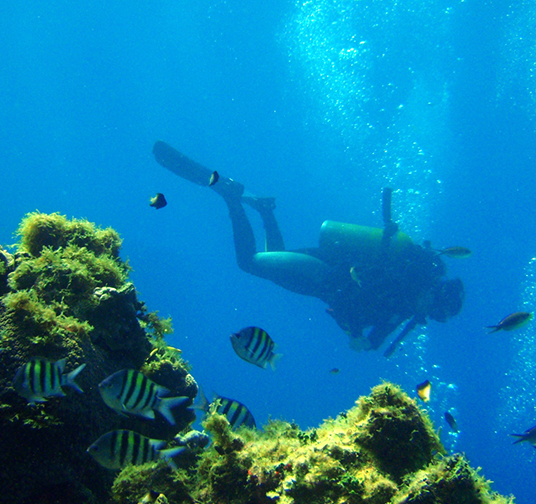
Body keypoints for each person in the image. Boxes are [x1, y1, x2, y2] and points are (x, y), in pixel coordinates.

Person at [153, 141, 464, 353]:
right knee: (249, 263)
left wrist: (366, 340)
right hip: (322, 274)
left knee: (271, 266)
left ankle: (264, 211)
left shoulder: (405, 302)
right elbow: (361, 305)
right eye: (435, 312)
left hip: (319, 280)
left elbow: (376, 330)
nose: (427, 317)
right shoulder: (402, 288)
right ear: (434, 297)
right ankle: (230, 197)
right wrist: (358, 336)